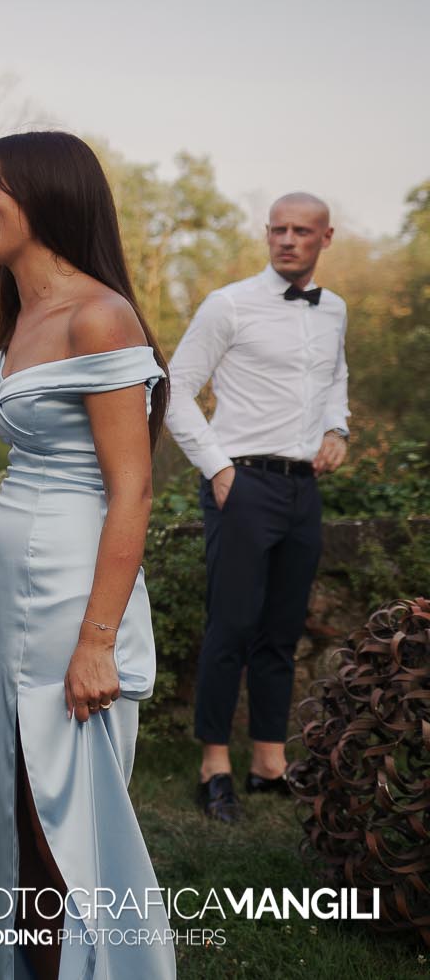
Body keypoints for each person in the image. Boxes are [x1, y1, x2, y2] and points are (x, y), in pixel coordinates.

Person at [0, 131, 176, 979]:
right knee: (2, 807)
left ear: (47, 194)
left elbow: (131, 490)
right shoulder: (14, 312)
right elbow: (27, 472)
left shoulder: (98, 314)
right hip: (0, 592)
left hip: (73, 594)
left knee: (58, 819)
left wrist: (98, 641)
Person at [166, 191, 349, 822]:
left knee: (282, 629)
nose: (287, 240)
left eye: (302, 231)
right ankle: (213, 766)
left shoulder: (334, 310)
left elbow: (335, 378)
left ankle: (269, 763)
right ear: (267, 234)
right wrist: (217, 469)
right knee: (232, 625)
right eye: (278, 229)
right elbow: (176, 391)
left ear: (326, 238)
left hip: (302, 489)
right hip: (241, 484)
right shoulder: (229, 304)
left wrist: (338, 428)